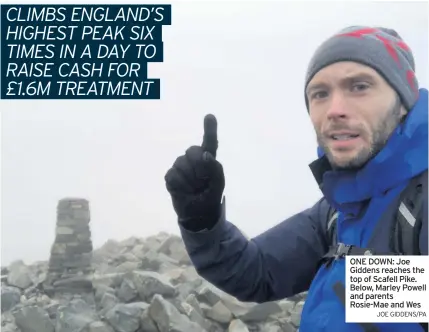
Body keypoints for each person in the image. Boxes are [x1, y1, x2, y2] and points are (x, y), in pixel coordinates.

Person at [164, 26, 428, 332]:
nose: (335, 110)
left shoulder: (419, 204)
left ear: (403, 103)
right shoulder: (337, 211)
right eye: (320, 94)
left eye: (359, 86)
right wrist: (202, 220)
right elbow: (257, 271)